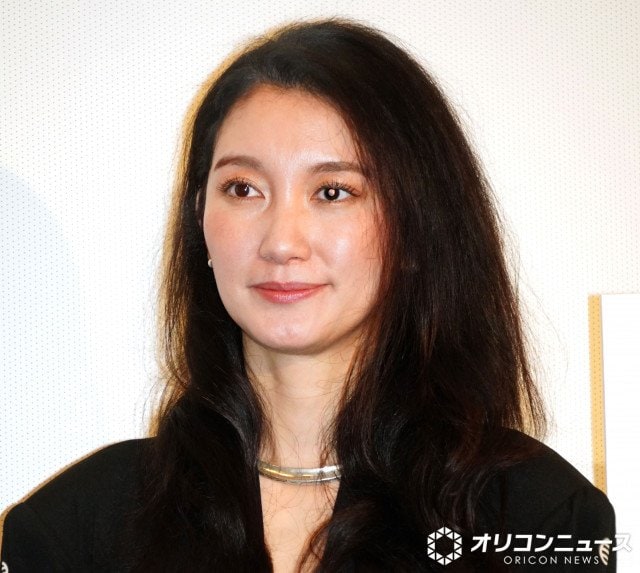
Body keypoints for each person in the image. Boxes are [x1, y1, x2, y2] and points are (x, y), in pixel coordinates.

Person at [1, 18, 616, 573]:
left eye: (332, 192)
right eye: (243, 189)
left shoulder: (540, 517)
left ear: (414, 230)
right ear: (200, 221)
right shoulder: (78, 526)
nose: (281, 242)